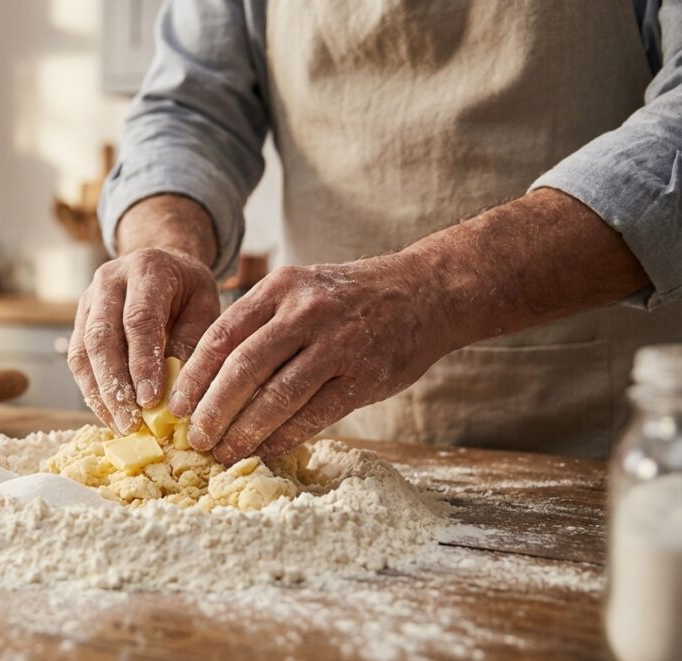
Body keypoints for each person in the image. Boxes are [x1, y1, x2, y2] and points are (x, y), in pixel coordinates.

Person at [69, 0, 682, 463]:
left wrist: (427, 292)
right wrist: (165, 243)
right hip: (317, 437)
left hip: (605, 438)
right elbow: (190, 110)